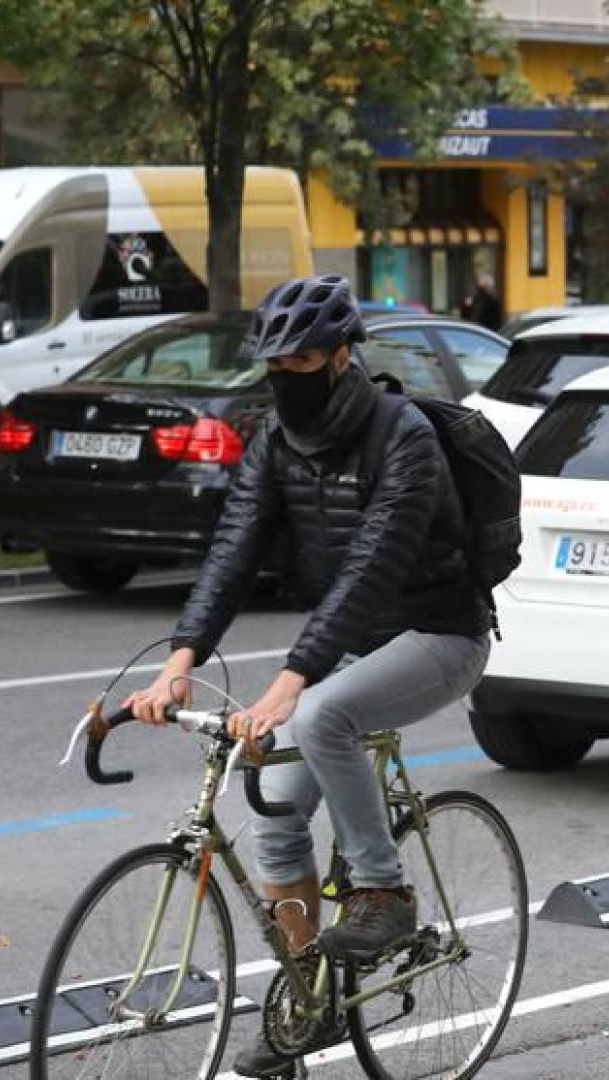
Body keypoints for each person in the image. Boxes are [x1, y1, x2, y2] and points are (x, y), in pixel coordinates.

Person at [125, 274, 490, 1077]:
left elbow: (372, 563)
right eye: (273, 362)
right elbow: (234, 549)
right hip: (353, 642)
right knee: (277, 813)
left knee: (322, 717)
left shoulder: (403, 436)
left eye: (299, 360)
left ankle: (384, 895)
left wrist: (294, 678)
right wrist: (180, 659)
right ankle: (308, 1001)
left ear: (340, 356)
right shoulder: (275, 441)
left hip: (440, 631)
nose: (283, 375)